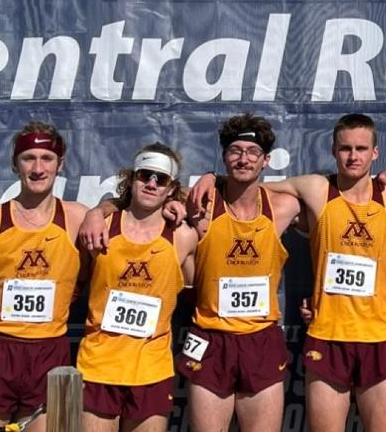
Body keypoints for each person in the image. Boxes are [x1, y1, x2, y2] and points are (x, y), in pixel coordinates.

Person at [190, 113, 386, 432]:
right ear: (332, 150)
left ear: (375, 153)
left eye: (361, 149)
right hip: (327, 335)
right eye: (345, 149)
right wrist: (211, 177)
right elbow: (253, 183)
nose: (353, 156)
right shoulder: (315, 189)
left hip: (379, 337)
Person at [80, 114, 301, 432]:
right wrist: (96, 211)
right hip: (209, 338)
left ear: (267, 160)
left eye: (252, 152)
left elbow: (327, 188)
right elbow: (139, 201)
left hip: (260, 340)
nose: (243, 158)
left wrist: (212, 175)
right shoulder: (199, 205)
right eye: (235, 151)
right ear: (224, 156)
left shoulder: (284, 206)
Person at [0, 121, 86, 432]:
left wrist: (104, 209)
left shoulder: (77, 218)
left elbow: (131, 216)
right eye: (28, 158)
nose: (37, 168)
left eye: (47, 158)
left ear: (60, 165)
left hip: (51, 357)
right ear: (14, 164)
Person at [77, 143, 199, 432]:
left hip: (151, 370)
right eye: (145, 175)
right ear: (131, 179)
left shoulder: (182, 237)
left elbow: (202, 291)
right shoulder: (100, 225)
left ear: (171, 189)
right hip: (98, 366)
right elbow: (66, 282)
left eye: (162, 178)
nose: (152, 183)